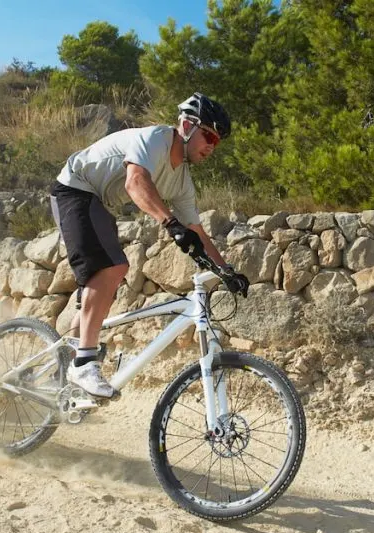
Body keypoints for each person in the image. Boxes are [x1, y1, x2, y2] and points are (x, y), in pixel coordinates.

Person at [49, 92, 249, 399]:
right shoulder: (155, 139)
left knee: (102, 282)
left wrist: (226, 271)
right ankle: (83, 364)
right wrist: (171, 224)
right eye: (208, 135)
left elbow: (198, 231)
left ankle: (62, 377)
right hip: (74, 188)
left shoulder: (181, 181)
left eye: (217, 142)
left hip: (98, 203)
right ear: (186, 125)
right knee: (113, 267)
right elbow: (135, 183)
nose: (211, 146)